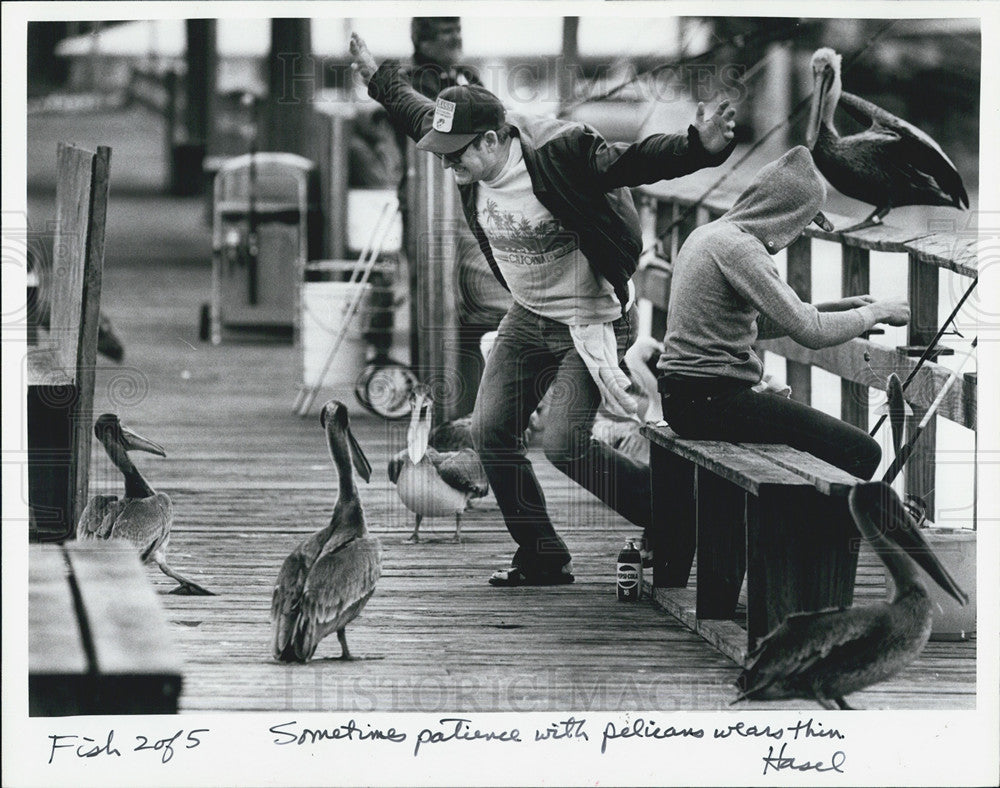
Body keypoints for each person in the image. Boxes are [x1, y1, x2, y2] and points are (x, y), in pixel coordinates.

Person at [351, 32, 737, 586]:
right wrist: (377, 75)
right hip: (528, 316)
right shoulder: (463, 154)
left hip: (593, 317)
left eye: (456, 155)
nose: (446, 165)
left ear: (490, 140)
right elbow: (415, 111)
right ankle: (542, 554)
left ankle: (671, 516)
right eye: (442, 155)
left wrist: (699, 148)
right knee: (489, 433)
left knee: (563, 442)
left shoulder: (560, 152)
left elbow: (632, 163)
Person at [657, 146, 909, 478]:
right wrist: (877, 312)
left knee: (826, 442)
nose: (799, 233)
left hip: (682, 397)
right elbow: (812, 333)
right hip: (710, 401)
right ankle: (821, 529)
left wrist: (834, 308)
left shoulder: (709, 235)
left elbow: (752, 324)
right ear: (786, 213)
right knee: (862, 450)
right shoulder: (742, 249)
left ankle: (814, 521)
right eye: (803, 221)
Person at [401, 18, 513, 413]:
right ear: (423, 40)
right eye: (445, 32)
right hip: (426, 200)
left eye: (458, 29)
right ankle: (431, 389)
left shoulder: (468, 77)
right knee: (430, 292)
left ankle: (469, 397)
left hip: (466, 198)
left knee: (469, 297)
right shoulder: (413, 79)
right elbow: (423, 122)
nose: (456, 38)